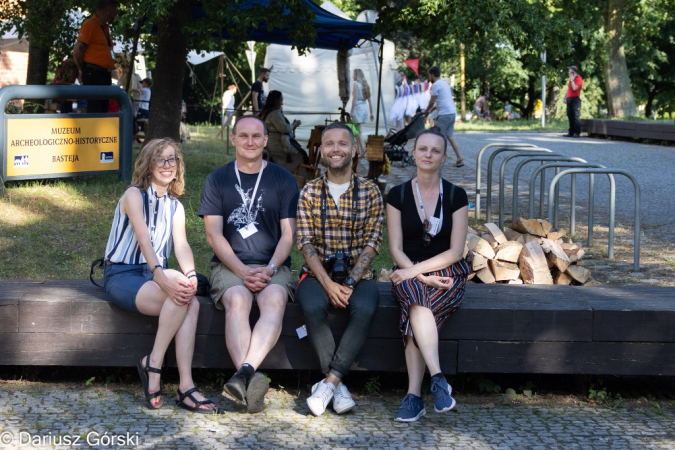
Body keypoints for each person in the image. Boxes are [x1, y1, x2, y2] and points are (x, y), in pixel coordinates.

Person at [103, 138, 218, 414]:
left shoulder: (175, 206)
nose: (167, 165)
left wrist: (190, 275)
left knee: (187, 296)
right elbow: (144, 240)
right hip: (124, 274)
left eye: (172, 159)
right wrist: (162, 278)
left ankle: (184, 385)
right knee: (181, 298)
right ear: (148, 164)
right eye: (160, 159)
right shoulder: (133, 195)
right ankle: (156, 367)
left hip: (155, 273)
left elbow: (181, 245)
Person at [199, 115, 299, 414]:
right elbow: (212, 234)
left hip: (273, 264)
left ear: (266, 140)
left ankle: (242, 376)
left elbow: (289, 234)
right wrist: (242, 271)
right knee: (238, 300)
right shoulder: (217, 179)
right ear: (233, 140)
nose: (250, 141)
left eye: (257, 136)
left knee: (275, 299)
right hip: (230, 266)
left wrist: (269, 268)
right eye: (243, 136)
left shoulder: (283, 178)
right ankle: (250, 380)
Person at [296, 122, 384, 416]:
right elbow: (305, 242)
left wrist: (348, 282)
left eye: (342, 143)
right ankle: (338, 387)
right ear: (322, 150)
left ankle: (329, 382)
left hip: (359, 274)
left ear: (354, 150)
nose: (336, 149)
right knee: (311, 306)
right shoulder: (309, 191)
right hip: (317, 272)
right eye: (329, 144)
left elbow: (373, 242)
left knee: (366, 308)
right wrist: (328, 283)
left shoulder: (371, 192)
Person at [386, 127, 471, 422]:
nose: (428, 155)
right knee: (419, 297)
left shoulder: (457, 196)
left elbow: (456, 251)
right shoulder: (396, 194)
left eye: (435, 151)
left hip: (447, 271)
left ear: (444, 157)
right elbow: (395, 248)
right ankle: (437, 378)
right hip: (409, 268)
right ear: (413, 151)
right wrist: (419, 275)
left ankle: (413, 396)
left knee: (415, 308)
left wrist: (415, 272)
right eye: (423, 149)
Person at [72, 0, 118, 113]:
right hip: (94, 74)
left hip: (103, 74)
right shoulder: (91, 24)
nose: (117, 13)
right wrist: (83, 71)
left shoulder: (104, 27)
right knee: (95, 110)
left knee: (102, 111)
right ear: (109, 8)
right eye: (116, 9)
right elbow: (77, 52)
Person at [423, 66, 464, 168]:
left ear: (432, 74)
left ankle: (438, 160)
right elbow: (441, 101)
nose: (429, 77)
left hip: (444, 115)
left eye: (429, 75)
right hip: (452, 113)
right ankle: (459, 158)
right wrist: (430, 110)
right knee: (450, 136)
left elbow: (432, 101)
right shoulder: (444, 84)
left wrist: (426, 111)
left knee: (437, 137)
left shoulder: (436, 85)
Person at [260, 90, 305, 173]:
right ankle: (296, 178)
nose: (282, 103)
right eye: (281, 100)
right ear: (276, 100)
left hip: (271, 143)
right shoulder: (273, 113)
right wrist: (294, 124)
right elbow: (284, 129)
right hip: (276, 144)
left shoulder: (266, 112)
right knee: (300, 154)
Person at [350, 69, 374, 157]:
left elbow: (354, 98)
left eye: (354, 74)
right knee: (357, 130)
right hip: (364, 107)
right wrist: (371, 113)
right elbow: (369, 100)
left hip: (358, 108)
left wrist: (351, 111)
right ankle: (359, 151)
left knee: (358, 131)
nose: (352, 76)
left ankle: (363, 151)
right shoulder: (365, 84)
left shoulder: (355, 84)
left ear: (357, 75)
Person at [564, 65, 583, 138]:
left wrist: (572, 80)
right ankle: (571, 132)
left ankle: (577, 132)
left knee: (576, 116)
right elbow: (569, 89)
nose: (568, 72)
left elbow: (575, 88)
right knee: (570, 116)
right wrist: (565, 97)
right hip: (569, 99)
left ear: (572, 72)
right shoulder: (571, 79)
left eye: (569, 71)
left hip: (575, 100)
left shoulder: (578, 79)